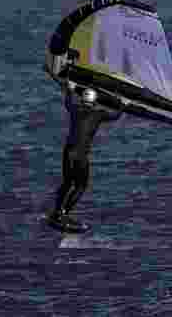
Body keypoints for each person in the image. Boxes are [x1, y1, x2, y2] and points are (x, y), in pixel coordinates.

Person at [46, 82, 123, 233]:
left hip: (68, 152)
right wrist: (122, 103)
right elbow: (116, 115)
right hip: (80, 155)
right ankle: (64, 214)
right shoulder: (99, 114)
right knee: (81, 186)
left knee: (67, 183)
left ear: (82, 99)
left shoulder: (74, 109)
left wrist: (70, 89)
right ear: (94, 101)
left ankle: (56, 213)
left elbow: (68, 102)